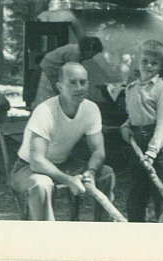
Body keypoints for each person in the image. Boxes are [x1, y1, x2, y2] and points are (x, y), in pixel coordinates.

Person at [10, 62, 115, 221]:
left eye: (83, 82)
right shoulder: (45, 111)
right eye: (72, 83)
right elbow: (37, 161)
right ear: (59, 87)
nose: (79, 88)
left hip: (64, 164)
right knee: (42, 184)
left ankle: (101, 227)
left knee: (106, 173)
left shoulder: (91, 109)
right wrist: (69, 180)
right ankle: (49, 239)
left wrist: (91, 172)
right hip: (28, 168)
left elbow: (98, 151)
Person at [120, 40, 163, 222]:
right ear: (138, 61)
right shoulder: (131, 88)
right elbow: (136, 114)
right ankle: (137, 231)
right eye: (145, 61)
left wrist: (153, 150)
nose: (148, 66)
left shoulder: (162, 90)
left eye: (154, 63)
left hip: (160, 146)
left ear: (160, 65)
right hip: (138, 142)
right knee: (137, 192)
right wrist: (126, 126)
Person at [33, 36, 103, 107]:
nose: (91, 57)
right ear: (87, 49)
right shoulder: (74, 54)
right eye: (92, 54)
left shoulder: (76, 51)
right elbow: (72, 75)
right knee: (46, 101)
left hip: (52, 72)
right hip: (47, 71)